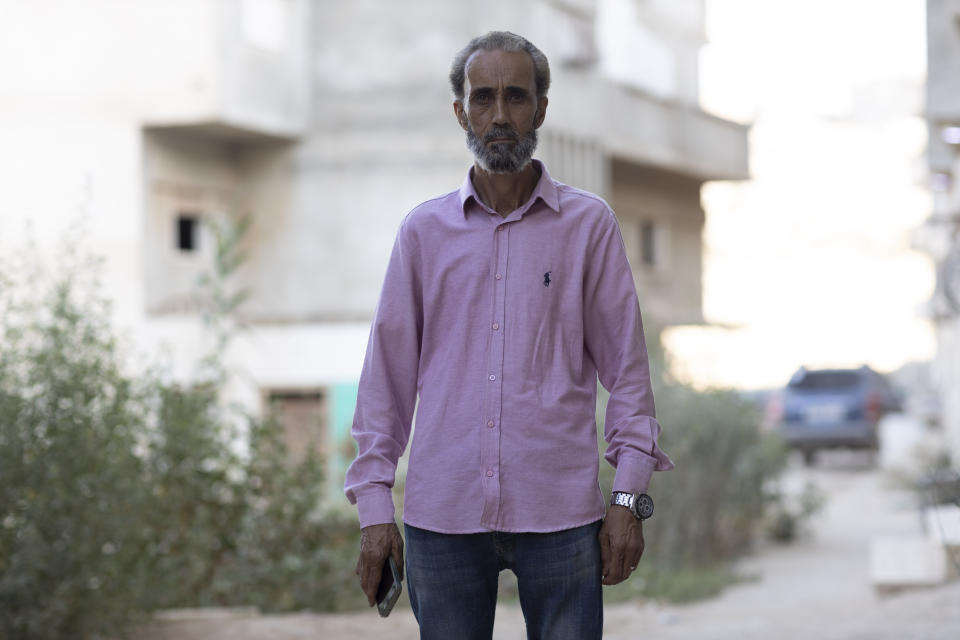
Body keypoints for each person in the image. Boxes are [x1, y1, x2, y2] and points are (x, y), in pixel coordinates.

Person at [344, 30, 673, 640]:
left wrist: (627, 499)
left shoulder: (587, 226)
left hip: (562, 517)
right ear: (460, 110)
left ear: (542, 108)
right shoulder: (422, 233)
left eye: (516, 97)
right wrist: (373, 508)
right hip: (443, 516)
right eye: (483, 97)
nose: (500, 115)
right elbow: (384, 383)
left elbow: (627, 374)